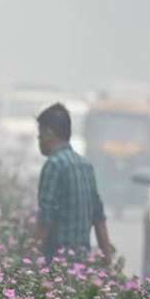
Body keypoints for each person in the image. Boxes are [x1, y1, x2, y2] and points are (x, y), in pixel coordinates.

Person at [35, 103, 112, 264]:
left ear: (49, 134)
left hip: (57, 261)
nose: (39, 140)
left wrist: (32, 254)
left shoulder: (54, 165)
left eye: (40, 135)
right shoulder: (85, 165)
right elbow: (99, 217)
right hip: (81, 262)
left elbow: (46, 217)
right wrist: (108, 260)